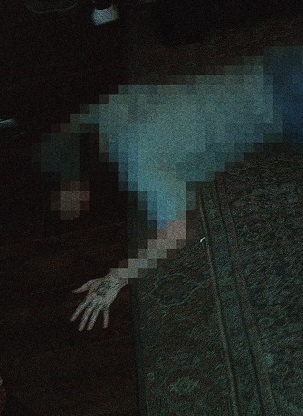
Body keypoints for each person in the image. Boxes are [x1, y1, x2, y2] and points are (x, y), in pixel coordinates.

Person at [38, 44, 303, 331]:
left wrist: (117, 277)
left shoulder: (137, 159)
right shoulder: (106, 112)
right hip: (273, 67)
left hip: (287, 103)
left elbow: (177, 231)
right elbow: (67, 134)